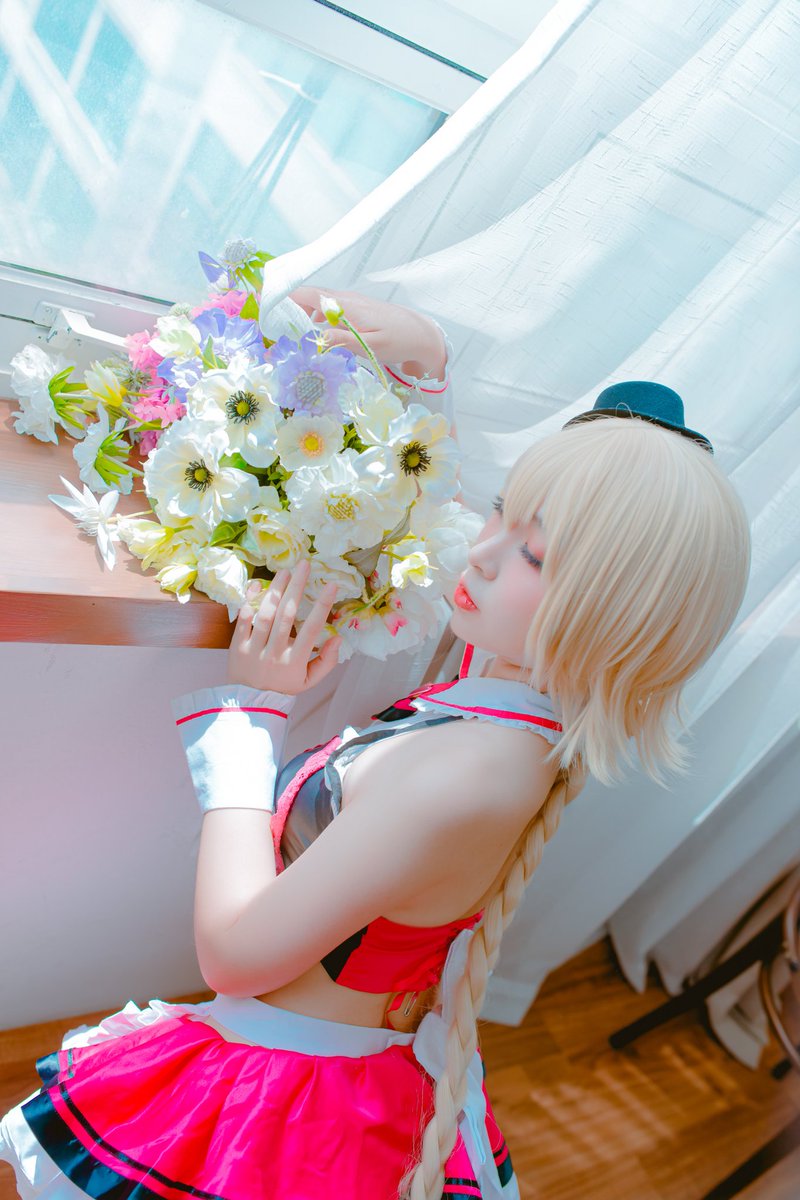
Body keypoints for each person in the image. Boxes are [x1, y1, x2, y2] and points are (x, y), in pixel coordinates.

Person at [0, 295, 751, 1200]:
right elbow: (459, 535)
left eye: (535, 555)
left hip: (287, 1102)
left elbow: (232, 953)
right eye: (504, 513)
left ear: (613, 613)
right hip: (335, 1060)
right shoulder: (520, 698)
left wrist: (251, 714)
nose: (482, 554)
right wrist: (426, 376)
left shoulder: (466, 772)